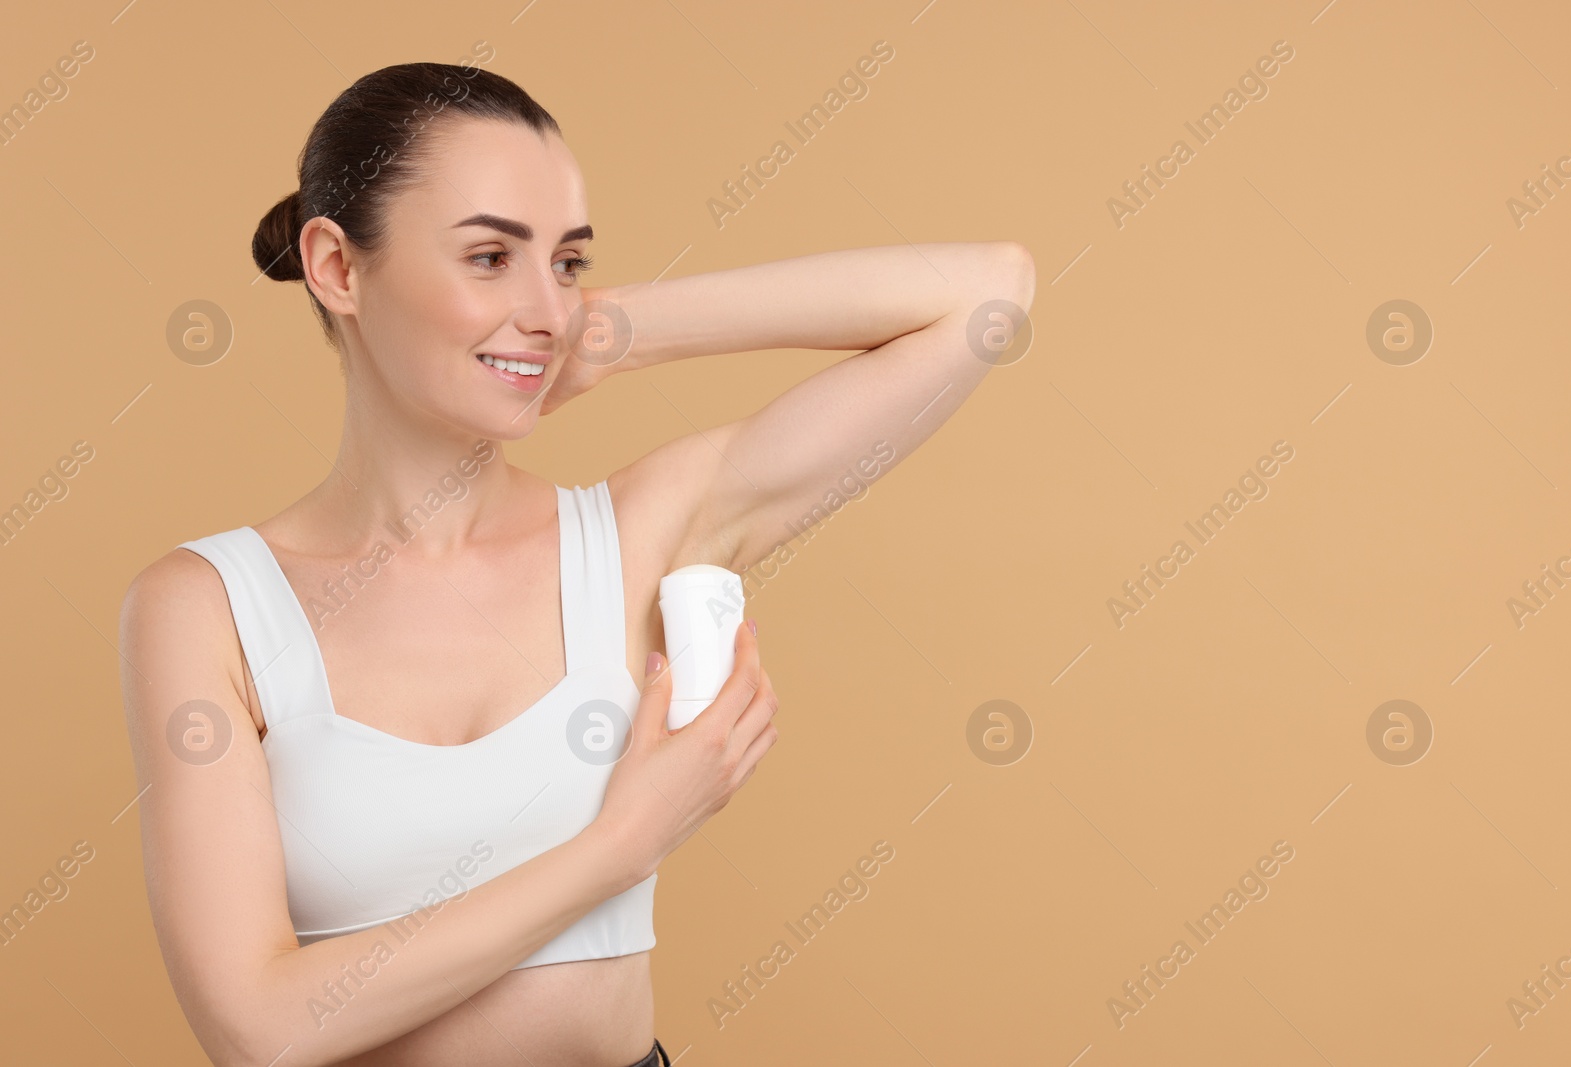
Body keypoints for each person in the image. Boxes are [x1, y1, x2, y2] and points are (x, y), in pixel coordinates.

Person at [118, 60, 1034, 1067]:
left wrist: (619, 333)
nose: (546, 304)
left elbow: (990, 295)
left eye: (566, 262)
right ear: (337, 267)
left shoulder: (635, 535)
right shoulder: (204, 604)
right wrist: (618, 845)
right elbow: (257, 1028)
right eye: (489, 258)